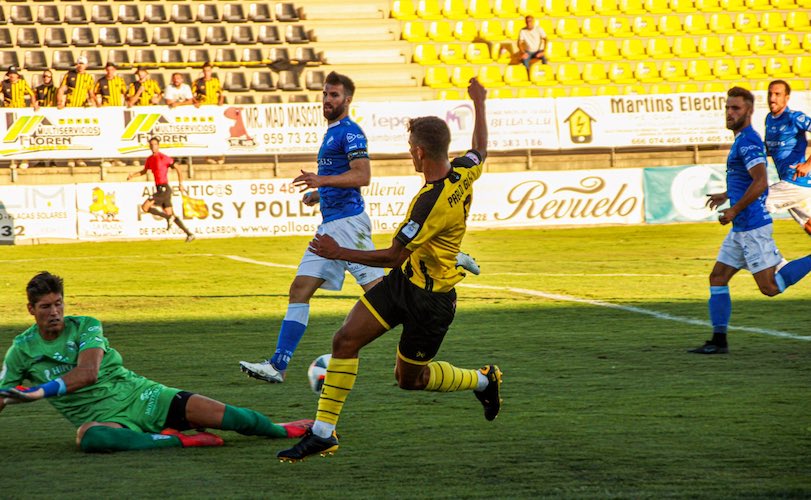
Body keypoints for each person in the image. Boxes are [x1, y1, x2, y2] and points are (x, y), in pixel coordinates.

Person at [277, 78, 501, 462]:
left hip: (430, 301)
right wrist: (479, 102)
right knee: (344, 340)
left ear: (418, 153)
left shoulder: (428, 203)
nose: (409, 155)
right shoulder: (464, 170)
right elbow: (480, 149)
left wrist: (338, 249)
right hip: (404, 284)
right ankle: (323, 433)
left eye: (410, 150)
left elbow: (392, 256)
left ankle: (484, 380)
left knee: (408, 380)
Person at [0, 272, 312, 453]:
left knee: (235, 419)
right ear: (31, 310)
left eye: (58, 303)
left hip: (146, 397)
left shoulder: (85, 325)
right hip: (110, 421)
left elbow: (89, 373)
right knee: (89, 437)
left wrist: (37, 392)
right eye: (45, 306)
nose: (54, 312)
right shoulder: (22, 349)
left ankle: (281, 430)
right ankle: (174, 440)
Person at [238, 72, 385, 384]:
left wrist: (322, 181)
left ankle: (437, 264)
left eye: (334, 95)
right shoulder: (331, 132)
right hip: (329, 225)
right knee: (299, 289)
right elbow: (343, 177)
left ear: (347, 100)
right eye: (325, 94)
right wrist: (321, 193)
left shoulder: (351, 132)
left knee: (383, 295)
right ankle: (278, 365)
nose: (328, 100)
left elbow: (362, 176)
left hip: (348, 224)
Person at [691, 86, 811, 355]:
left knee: (770, 287)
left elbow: (760, 182)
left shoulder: (748, 141)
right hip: (741, 227)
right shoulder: (742, 140)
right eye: (727, 108)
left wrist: (734, 209)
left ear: (748, 111)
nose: (730, 113)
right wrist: (727, 195)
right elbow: (747, 180)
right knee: (718, 277)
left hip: (753, 225)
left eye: (736, 108)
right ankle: (718, 341)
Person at [763, 80, 811, 235]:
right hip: (791, 182)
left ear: (787, 98)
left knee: (755, 204)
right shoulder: (769, 119)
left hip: (796, 182)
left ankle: (764, 255)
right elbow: (772, 149)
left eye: (777, 94)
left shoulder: (795, 118)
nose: (772, 98)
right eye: (770, 94)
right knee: (809, 224)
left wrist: (808, 164)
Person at [126, 137, 195, 243]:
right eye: (151, 145)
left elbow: (178, 168)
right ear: (149, 146)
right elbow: (144, 171)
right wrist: (133, 175)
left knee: (145, 207)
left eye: (155, 144)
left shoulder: (163, 158)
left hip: (164, 188)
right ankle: (189, 234)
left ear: (158, 146)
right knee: (170, 213)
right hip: (160, 188)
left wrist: (181, 183)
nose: (153, 146)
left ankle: (167, 218)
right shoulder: (150, 159)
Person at [2, 66, 38, 169]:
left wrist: (33, 103)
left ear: (17, 75)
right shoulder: (4, 84)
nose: (12, 75)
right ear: (8, 75)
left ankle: (24, 160)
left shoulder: (22, 83)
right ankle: (13, 160)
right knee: (11, 137)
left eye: (14, 73)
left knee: (23, 136)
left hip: (21, 112)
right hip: (9, 113)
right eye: (10, 74)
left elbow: (31, 94)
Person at [193, 62, 225, 165]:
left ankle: (221, 156)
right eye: (205, 71)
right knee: (207, 132)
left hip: (214, 109)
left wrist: (221, 101)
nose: (207, 73)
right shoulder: (198, 82)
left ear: (211, 71)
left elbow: (221, 93)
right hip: (204, 110)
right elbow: (192, 95)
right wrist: (196, 102)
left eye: (209, 70)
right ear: (203, 71)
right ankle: (208, 156)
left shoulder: (215, 81)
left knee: (219, 132)